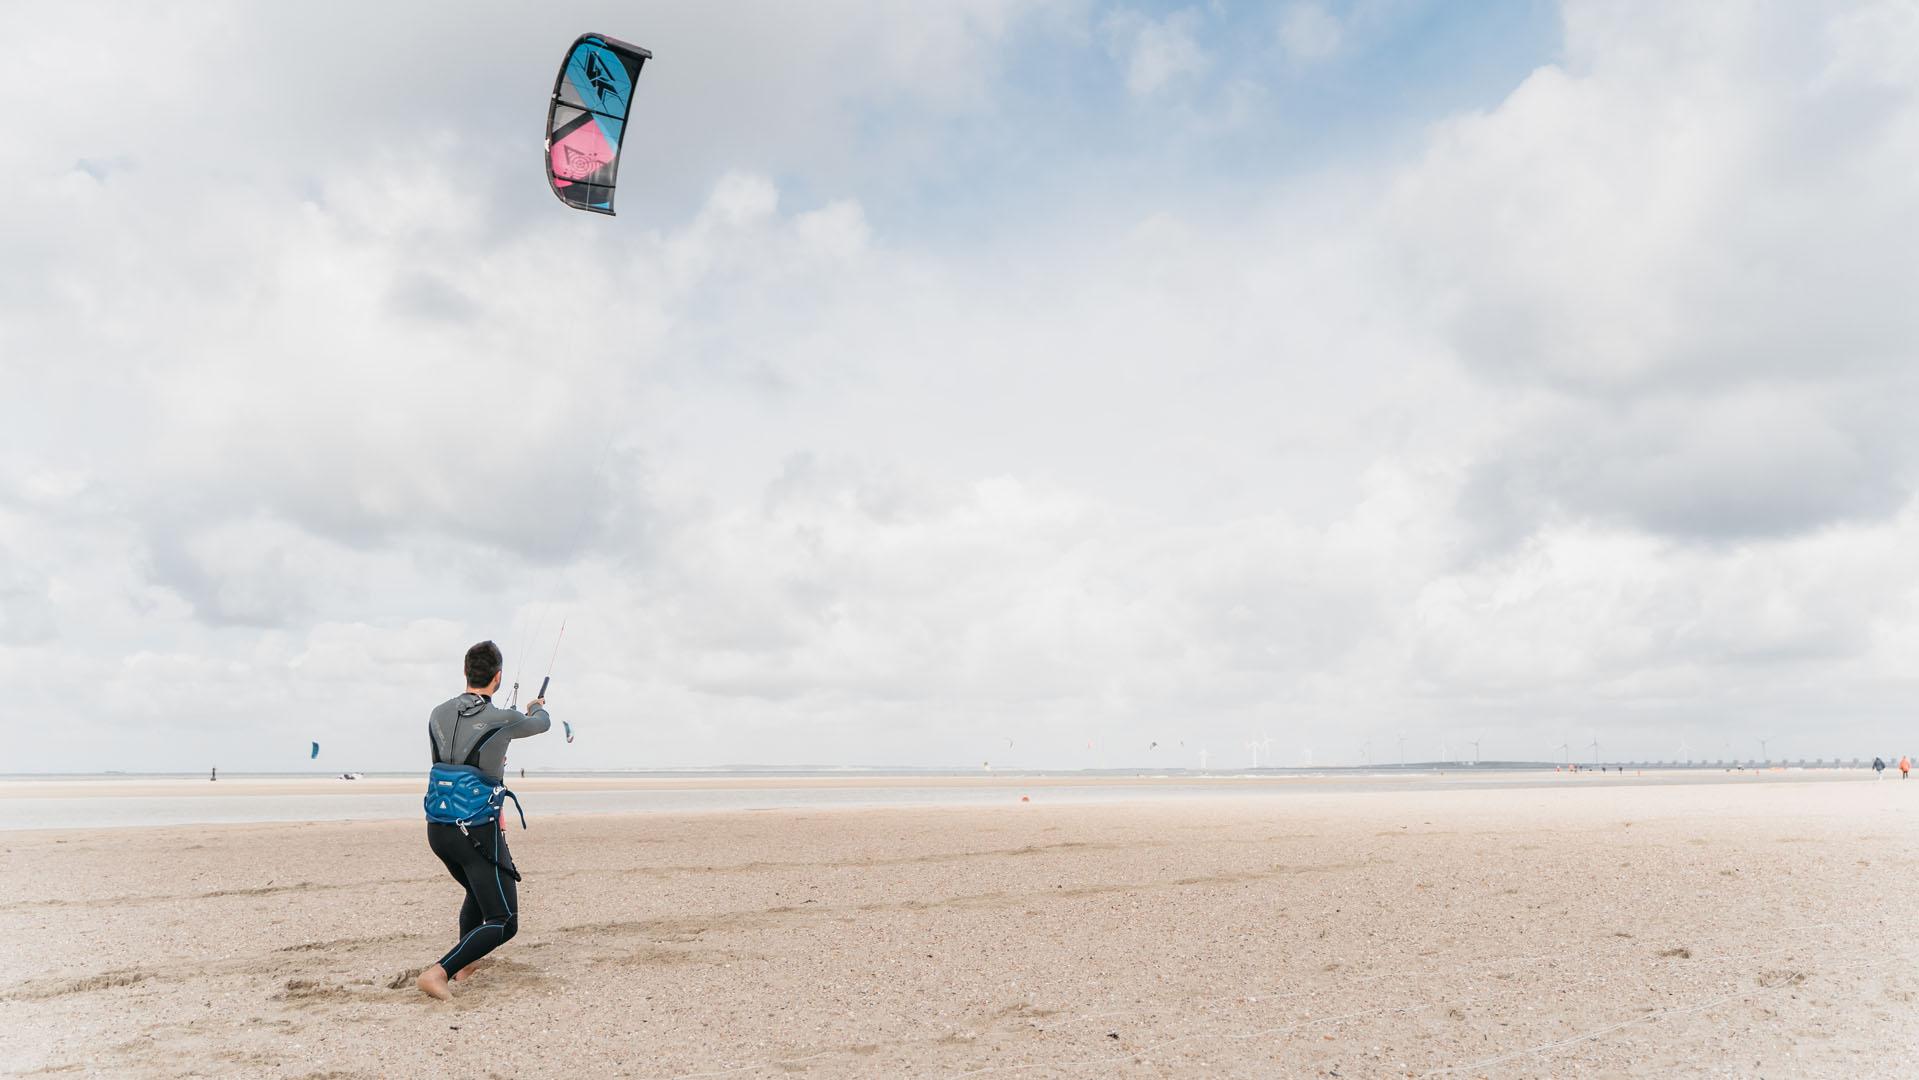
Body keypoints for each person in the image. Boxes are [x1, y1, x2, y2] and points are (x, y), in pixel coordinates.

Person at [416, 640, 551, 1001]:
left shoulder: (436, 713)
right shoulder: (503, 719)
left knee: (479, 893)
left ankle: (464, 965)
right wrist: (536, 706)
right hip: (476, 832)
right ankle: (439, 972)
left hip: (438, 829)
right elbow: (542, 724)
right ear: (498, 677)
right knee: (504, 920)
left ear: (465, 672)